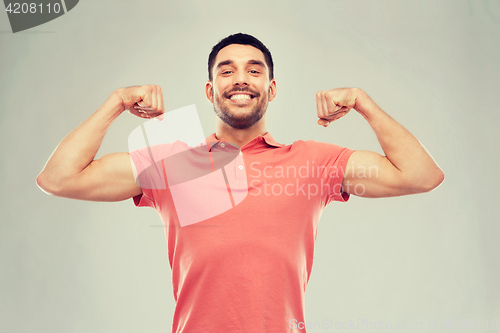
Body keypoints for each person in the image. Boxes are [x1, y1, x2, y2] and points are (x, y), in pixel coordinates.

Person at [37, 33, 444, 332]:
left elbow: (421, 175)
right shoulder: (170, 163)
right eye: (226, 70)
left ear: (271, 88)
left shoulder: (313, 162)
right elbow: (59, 178)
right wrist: (117, 102)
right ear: (211, 91)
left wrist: (361, 102)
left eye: (254, 69)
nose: (241, 79)